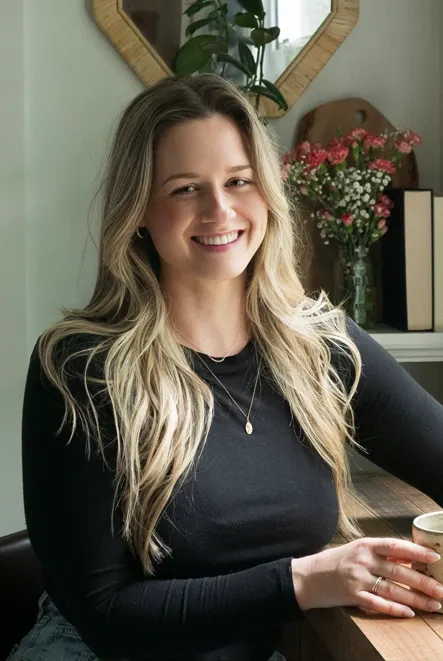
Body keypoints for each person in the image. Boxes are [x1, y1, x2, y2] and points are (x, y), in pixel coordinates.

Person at [10, 73, 443, 661]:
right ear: (137, 208)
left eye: (239, 181)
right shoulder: (81, 368)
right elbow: (105, 615)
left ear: (266, 193)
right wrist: (306, 580)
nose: (220, 209)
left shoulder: (321, 346)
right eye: (186, 188)